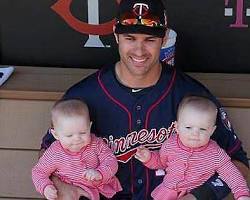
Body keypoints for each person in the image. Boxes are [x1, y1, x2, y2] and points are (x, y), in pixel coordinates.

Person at [40, 0, 249, 199]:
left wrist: (198, 197)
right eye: (130, 38)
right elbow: (47, 153)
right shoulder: (83, 96)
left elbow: (239, 164)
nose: (139, 50)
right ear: (116, 36)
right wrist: (60, 186)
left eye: (150, 40)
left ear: (164, 38)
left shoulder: (191, 96)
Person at [135, 95, 250, 200]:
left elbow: (232, 174)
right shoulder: (170, 144)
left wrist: (242, 194)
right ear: (177, 127)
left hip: (194, 195)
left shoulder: (215, 153)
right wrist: (149, 158)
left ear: (212, 130)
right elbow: (161, 162)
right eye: (189, 127)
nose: (195, 134)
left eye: (203, 129)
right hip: (166, 194)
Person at [33, 99, 122, 200]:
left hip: (100, 189)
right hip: (71, 192)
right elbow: (39, 171)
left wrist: (100, 173)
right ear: (56, 135)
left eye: (83, 132)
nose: (77, 138)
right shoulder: (54, 153)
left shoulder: (96, 143)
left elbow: (111, 160)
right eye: (69, 135)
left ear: (89, 126)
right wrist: (46, 187)